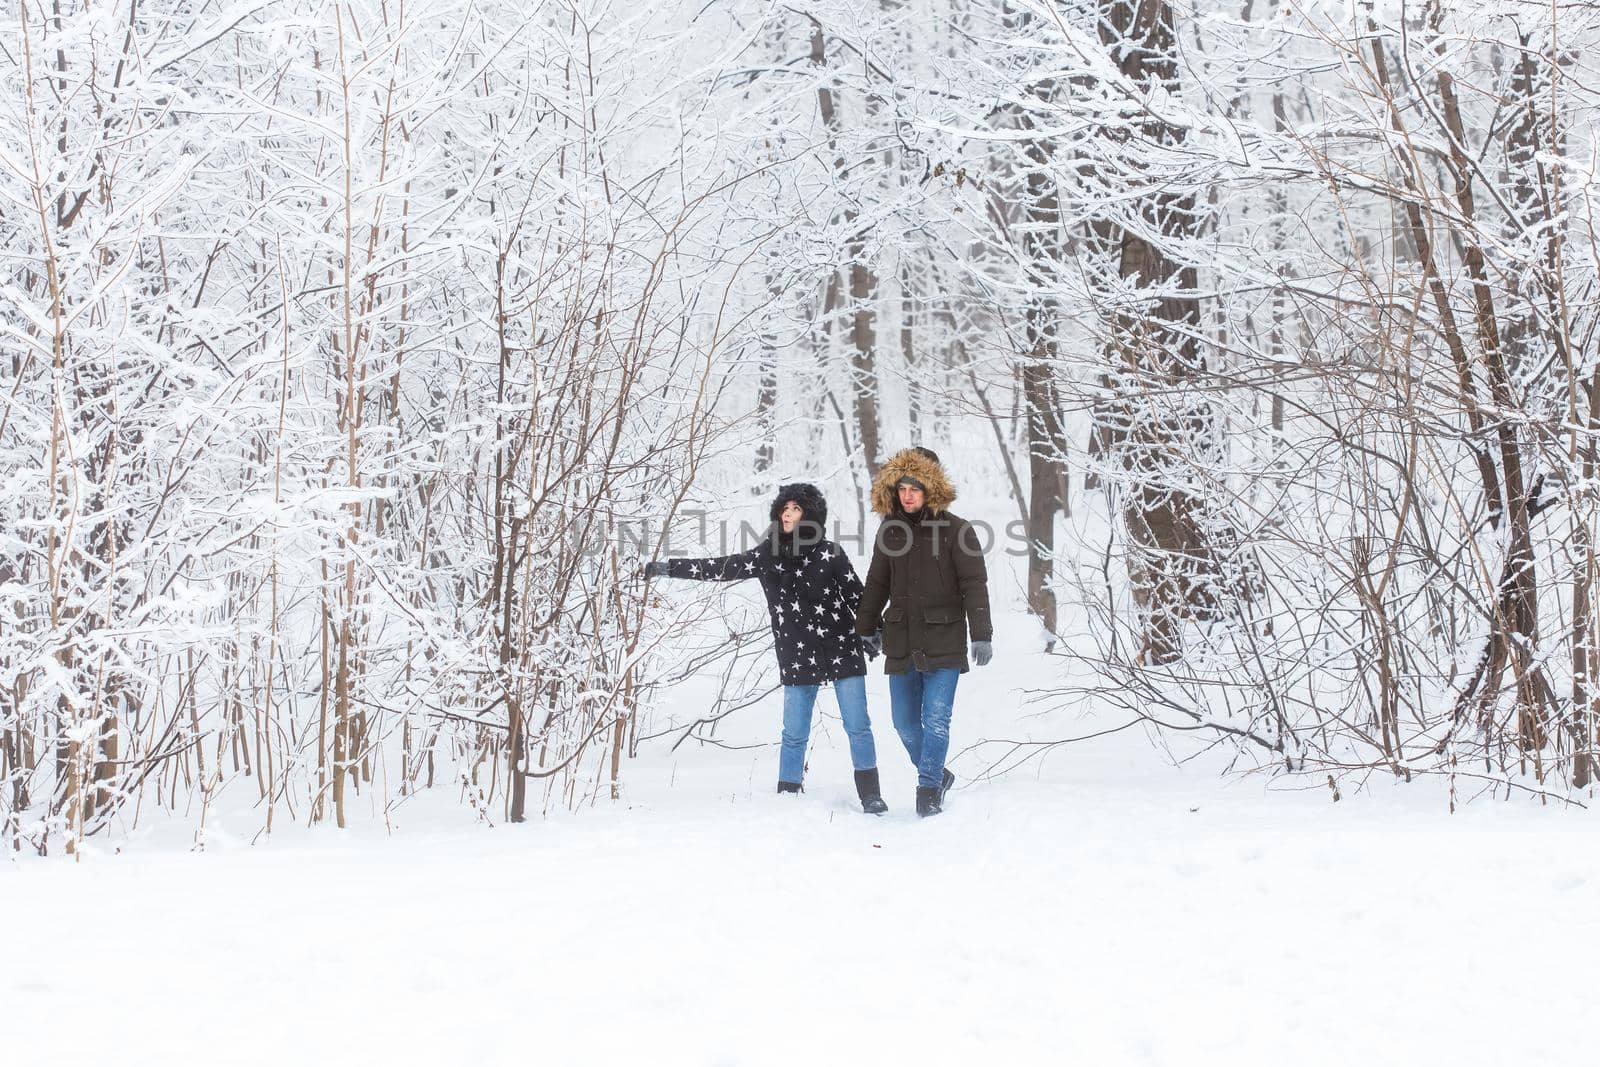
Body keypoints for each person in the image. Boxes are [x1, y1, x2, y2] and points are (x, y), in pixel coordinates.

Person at [645, 484, 888, 814]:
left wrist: (875, 631)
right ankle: (788, 795)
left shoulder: (830, 553)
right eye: (784, 508)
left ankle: (870, 795)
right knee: (794, 732)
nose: (788, 514)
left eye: (797, 509)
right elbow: (721, 567)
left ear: (810, 516)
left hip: (841, 645)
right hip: (798, 653)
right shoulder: (767, 555)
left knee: (858, 725)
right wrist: (668, 568)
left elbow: (858, 599)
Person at [854, 447, 993, 817]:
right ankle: (938, 773)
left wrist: (982, 633)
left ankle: (928, 789)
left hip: (944, 638)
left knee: (935, 719)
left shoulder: (957, 530)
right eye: (902, 488)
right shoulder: (890, 530)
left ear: (931, 488)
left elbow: (974, 584)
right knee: (903, 723)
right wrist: (865, 626)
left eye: (915, 488)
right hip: (901, 640)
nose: (908, 495)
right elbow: (877, 581)